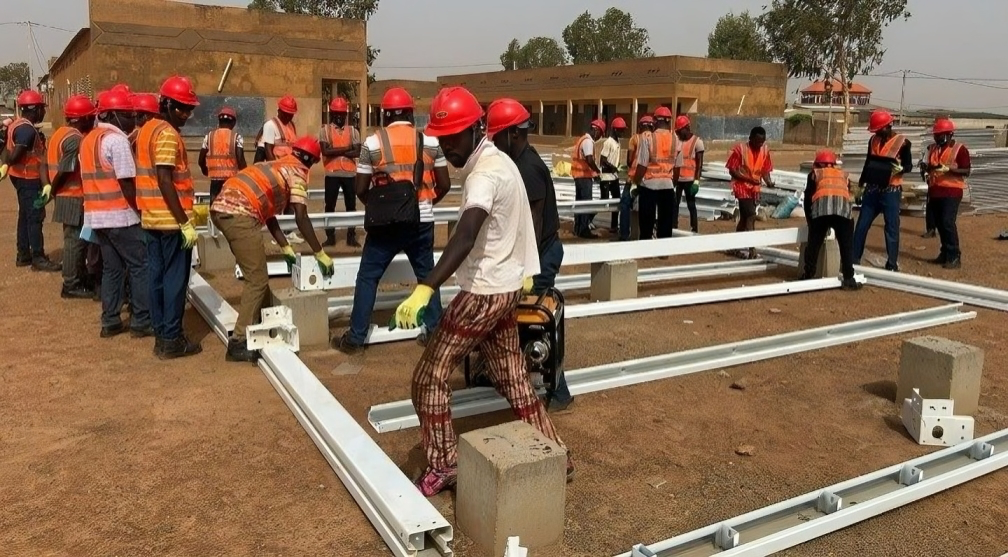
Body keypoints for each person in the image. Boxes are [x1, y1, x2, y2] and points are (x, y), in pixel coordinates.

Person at [393, 86, 570, 496]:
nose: (448, 148)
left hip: (484, 293)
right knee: (514, 380)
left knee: (427, 378)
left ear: (476, 129)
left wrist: (425, 287)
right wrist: (526, 270)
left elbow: (466, 233)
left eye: (454, 137)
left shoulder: (485, 175)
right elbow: (525, 218)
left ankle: (445, 463)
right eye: (442, 139)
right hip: (504, 288)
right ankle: (556, 453)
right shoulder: (502, 162)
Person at [334, 87, 451, 354]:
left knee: (368, 277)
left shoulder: (372, 143)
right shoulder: (430, 141)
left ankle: (356, 337)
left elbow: (361, 188)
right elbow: (443, 184)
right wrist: (425, 203)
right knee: (427, 275)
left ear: (385, 114)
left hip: (385, 224)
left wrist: (380, 209)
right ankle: (435, 332)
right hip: (421, 220)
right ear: (411, 113)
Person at [211, 137, 334, 362]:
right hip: (239, 213)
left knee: (254, 273)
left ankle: (259, 321)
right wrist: (319, 252)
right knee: (257, 279)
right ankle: (238, 342)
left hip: (223, 209)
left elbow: (268, 214)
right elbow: (301, 216)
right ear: (312, 161)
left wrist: (285, 245)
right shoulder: (297, 172)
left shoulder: (274, 164)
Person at [485, 97, 573, 411]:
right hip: (538, 253)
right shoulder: (519, 161)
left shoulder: (528, 168)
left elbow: (533, 224)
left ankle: (558, 392)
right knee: (530, 322)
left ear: (513, 134)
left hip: (541, 254)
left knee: (537, 321)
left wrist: (525, 269)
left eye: (496, 137)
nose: (493, 143)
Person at [135, 75, 202, 360]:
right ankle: (171, 339)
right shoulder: (166, 135)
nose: (185, 114)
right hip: (170, 221)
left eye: (189, 109)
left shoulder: (147, 129)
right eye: (180, 108)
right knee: (175, 279)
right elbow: (164, 180)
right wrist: (184, 221)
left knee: (157, 277)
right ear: (166, 104)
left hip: (151, 217)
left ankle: (162, 334)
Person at [80, 89, 152, 339]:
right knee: (140, 265)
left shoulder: (90, 139)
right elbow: (127, 182)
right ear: (112, 115)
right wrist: (141, 211)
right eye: (126, 114)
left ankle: (110, 320)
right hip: (121, 216)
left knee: (112, 268)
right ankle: (142, 320)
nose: (132, 119)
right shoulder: (117, 141)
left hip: (97, 217)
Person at [44, 95, 97, 298]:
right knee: (75, 241)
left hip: (66, 194)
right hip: (72, 195)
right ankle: (71, 284)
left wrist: (50, 188)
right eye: (90, 117)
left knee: (76, 240)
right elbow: (66, 169)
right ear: (82, 118)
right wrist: (54, 189)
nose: (93, 121)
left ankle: (78, 278)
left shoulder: (60, 133)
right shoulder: (74, 139)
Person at [3, 90, 61, 271]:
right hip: (29, 179)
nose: (43, 112)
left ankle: (23, 253)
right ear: (34, 109)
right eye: (41, 108)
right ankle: (37, 256)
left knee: (25, 216)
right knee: (35, 217)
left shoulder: (18, 125)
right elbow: (15, 156)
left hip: (20, 177)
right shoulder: (27, 130)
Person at [852, 110, 913, 272]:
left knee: (891, 227)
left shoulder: (903, 142)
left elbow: (908, 165)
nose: (877, 133)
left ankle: (892, 264)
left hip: (891, 191)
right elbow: (868, 163)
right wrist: (860, 185)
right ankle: (853, 259)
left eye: (879, 130)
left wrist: (900, 169)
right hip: (872, 190)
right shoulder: (873, 140)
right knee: (862, 225)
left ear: (887, 127)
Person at [801, 149, 861, 291]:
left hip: (822, 210)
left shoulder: (815, 174)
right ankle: (848, 278)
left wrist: (811, 222)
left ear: (818, 164)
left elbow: (808, 199)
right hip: (843, 212)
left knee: (814, 244)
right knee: (846, 246)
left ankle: (808, 274)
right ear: (833, 164)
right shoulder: (842, 175)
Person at [920, 118, 970, 269]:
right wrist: (926, 168)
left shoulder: (960, 149)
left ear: (949, 134)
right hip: (935, 191)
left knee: (947, 222)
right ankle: (945, 253)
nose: (936, 138)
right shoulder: (934, 149)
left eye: (939, 135)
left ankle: (954, 256)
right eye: (936, 135)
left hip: (951, 191)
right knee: (941, 224)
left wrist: (949, 170)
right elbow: (932, 166)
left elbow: (966, 170)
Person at [318, 96, 362, 247]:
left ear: (345, 114)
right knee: (330, 206)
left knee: (351, 206)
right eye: (336, 114)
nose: (339, 117)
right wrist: (346, 149)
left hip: (350, 174)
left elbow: (357, 152)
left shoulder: (353, 131)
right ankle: (330, 236)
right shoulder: (325, 131)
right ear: (331, 114)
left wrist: (335, 150)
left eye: (341, 114)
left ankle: (351, 236)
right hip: (332, 174)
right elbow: (325, 151)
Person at [726, 126, 775, 259]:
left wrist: (768, 181)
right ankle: (752, 248)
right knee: (751, 216)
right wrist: (748, 179)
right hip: (741, 187)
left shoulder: (765, 150)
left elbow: (765, 170)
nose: (760, 144)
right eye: (757, 141)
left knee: (744, 219)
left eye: (762, 141)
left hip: (754, 189)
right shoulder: (740, 150)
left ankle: (735, 247)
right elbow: (732, 169)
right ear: (750, 138)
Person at [631, 107, 678, 240]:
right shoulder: (676, 140)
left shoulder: (649, 139)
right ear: (669, 122)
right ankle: (663, 252)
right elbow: (678, 167)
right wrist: (672, 183)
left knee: (646, 220)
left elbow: (642, 165)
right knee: (666, 221)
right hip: (668, 185)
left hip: (649, 185)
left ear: (655, 121)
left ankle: (646, 250)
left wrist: (636, 183)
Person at [198, 106, 246, 203]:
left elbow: (200, 159)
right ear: (233, 122)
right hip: (231, 179)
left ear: (219, 121)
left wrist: (205, 169)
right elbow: (240, 159)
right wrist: (245, 174)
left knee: (214, 204)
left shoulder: (209, 136)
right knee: (229, 205)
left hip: (215, 179)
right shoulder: (236, 137)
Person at [619, 115, 652, 241]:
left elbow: (629, 160)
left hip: (633, 178)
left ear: (641, 126)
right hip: (649, 179)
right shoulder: (654, 139)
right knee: (647, 208)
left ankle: (624, 234)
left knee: (625, 204)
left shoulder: (635, 138)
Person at [571, 119, 604, 238]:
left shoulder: (582, 139)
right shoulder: (588, 142)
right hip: (584, 178)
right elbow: (589, 160)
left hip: (579, 176)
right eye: (600, 134)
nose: (599, 137)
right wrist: (597, 172)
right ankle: (584, 230)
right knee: (586, 204)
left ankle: (578, 228)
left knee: (580, 203)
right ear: (596, 130)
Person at [673, 115, 705, 233]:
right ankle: (674, 226)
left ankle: (694, 228)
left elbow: (699, 164)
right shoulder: (678, 141)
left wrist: (696, 181)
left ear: (686, 128)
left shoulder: (697, 142)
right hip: (677, 179)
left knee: (691, 205)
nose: (678, 133)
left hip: (690, 179)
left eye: (679, 130)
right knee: (674, 204)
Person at [598, 117, 625, 233]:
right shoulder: (608, 142)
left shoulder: (617, 142)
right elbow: (602, 160)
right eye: (620, 130)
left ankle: (614, 226)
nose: (622, 132)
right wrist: (613, 167)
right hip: (606, 177)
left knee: (616, 201)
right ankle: (587, 220)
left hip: (614, 177)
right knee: (603, 202)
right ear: (614, 130)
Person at [260, 95, 297, 161]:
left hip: (290, 165)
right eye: (285, 114)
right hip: (278, 165)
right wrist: (274, 168)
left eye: (290, 115)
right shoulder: (270, 125)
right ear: (279, 111)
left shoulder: (291, 125)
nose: (288, 117)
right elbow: (268, 151)